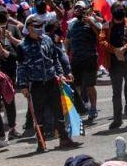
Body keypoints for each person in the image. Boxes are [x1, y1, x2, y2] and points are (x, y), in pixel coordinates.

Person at [15, 14, 81, 152]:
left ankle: (64, 139)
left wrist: (61, 74)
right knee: (38, 114)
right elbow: (21, 67)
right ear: (29, 28)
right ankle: (41, 142)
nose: (38, 29)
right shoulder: (23, 46)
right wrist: (23, 86)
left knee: (58, 111)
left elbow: (55, 59)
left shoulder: (47, 40)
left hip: (51, 80)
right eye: (35, 27)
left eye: (40, 26)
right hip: (36, 83)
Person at [98, 3, 127, 129]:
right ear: (112, 12)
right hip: (114, 63)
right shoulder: (106, 25)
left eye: (122, 9)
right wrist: (115, 51)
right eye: (117, 10)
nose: (120, 11)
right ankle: (117, 119)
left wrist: (123, 49)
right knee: (116, 92)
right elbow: (102, 41)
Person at [65, 3, 101, 122]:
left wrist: (91, 23)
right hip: (76, 59)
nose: (79, 11)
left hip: (90, 57)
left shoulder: (92, 22)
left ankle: (94, 108)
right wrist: (65, 55)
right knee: (77, 85)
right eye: (77, 8)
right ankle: (82, 106)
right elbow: (68, 41)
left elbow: (100, 34)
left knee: (90, 85)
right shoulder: (72, 24)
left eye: (82, 9)